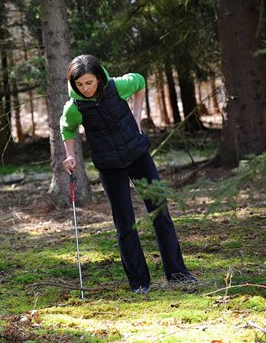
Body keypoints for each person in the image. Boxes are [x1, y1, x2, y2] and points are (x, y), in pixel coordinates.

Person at [60, 54, 196, 294]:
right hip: (109, 166)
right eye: (80, 85)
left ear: (99, 78)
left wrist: (137, 114)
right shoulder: (75, 106)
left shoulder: (117, 86)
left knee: (159, 212)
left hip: (138, 156)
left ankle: (177, 274)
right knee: (125, 223)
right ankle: (139, 282)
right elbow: (67, 128)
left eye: (89, 83)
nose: (85, 88)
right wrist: (69, 154)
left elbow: (141, 81)